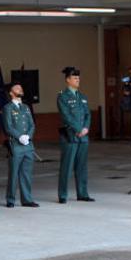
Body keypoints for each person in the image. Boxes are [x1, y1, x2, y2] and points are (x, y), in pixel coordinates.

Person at [56, 67, 95, 204]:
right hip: (70, 136)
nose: (78, 80)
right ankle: (63, 195)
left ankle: (82, 193)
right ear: (68, 80)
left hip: (83, 136)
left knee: (82, 167)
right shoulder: (62, 96)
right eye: (75, 78)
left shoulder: (82, 97)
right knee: (67, 166)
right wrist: (78, 128)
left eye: (78, 78)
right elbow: (66, 116)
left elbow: (87, 115)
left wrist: (85, 128)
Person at [3, 82, 38, 208]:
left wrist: (28, 135)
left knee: (26, 173)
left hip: (28, 145)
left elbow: (32, 124)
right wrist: (19, 136)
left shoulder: (26, 107)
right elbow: (8, 126)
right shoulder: (8, 108)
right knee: (13, 174)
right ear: (11, 93)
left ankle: (27, 199)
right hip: (16, 145)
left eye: (21, 87)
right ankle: (10, 199)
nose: (20, 89)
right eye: (17, 88)